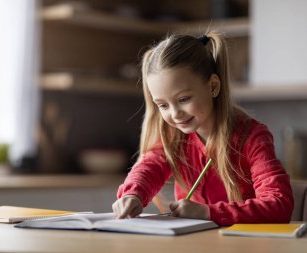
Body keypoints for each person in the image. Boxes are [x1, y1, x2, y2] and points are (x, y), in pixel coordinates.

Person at [112, 31, 294, 226]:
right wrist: (133, 194)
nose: (174, 114)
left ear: (213, 86)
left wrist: (207, 212)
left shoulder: (252, 137)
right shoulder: (174, 136)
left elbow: (279, 205)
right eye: (163, 105)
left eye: (183, 99)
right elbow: (149, 167)